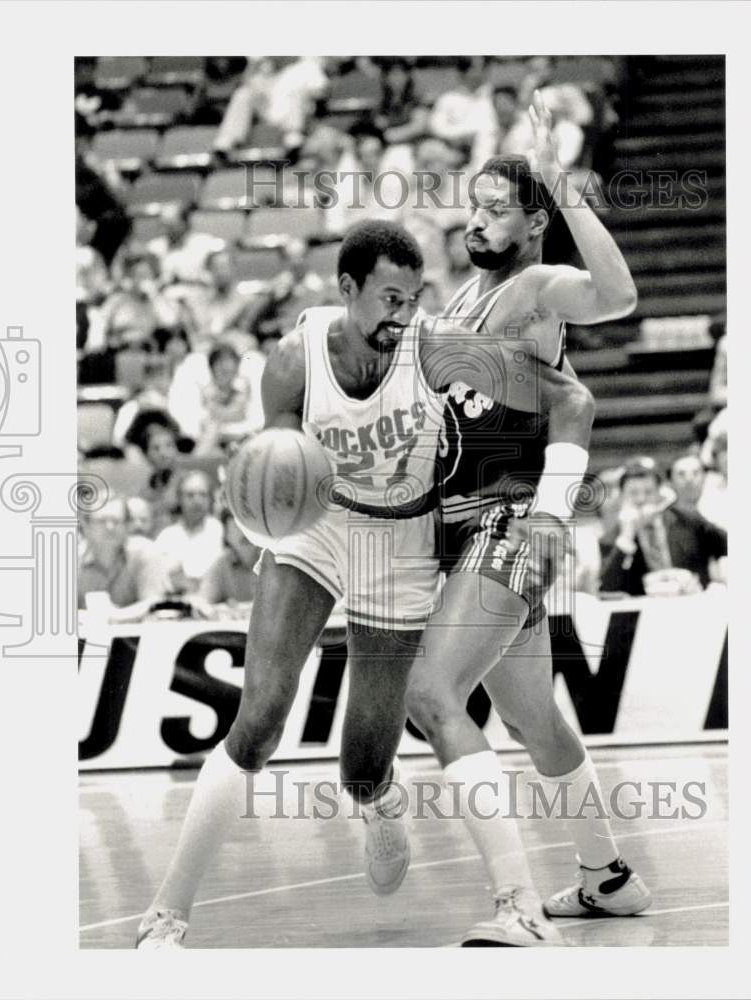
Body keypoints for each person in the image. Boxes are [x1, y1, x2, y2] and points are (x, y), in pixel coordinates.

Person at [135, 215, 593, 948]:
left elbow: (571, 402)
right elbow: (273, 478)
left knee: (362, 763)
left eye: (411, 297)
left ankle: (377, 802)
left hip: (400, 545)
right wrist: (261, 510)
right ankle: (167, 912)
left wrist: (551, 509)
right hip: (315, 531)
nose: (401, 315)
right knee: (259, 718)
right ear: (346, 289)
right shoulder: (292, 361)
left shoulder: (434, 346)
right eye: (387, 298)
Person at [404, 92, 650, 947]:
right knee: (531, 720)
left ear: (532, 223)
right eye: (472, 204)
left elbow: (616, 295)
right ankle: (607, 877)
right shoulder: (458, 304)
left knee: (431, 691)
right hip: (461, 529)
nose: (476, 218)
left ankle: (515, 908)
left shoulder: (535, 288)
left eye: (497, 208)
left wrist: (558, 180)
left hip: (510, 524)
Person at [599, 461, 727, 595]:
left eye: (648, 492)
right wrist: (626, 538)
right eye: (633, 493)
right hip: (646, 610)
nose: (641, 499)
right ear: (622, 496)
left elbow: (728, 545)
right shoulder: (613, 538)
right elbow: (606, 587)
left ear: (660, 492)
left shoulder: (689, 520)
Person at [78, 496, 169, 620]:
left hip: (140, 636)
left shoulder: (145, 553)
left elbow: (156, 603)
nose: (109, 527)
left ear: (127, 526)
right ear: (86, 526)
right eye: (101, 521)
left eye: (116, 521)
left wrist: (114, 617)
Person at [154, 470, 223, 592]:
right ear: (179, 498)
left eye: (203, 494)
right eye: (190, 495)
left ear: (211, 498)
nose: (197, 501)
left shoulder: (221, 532)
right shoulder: (167, 536)